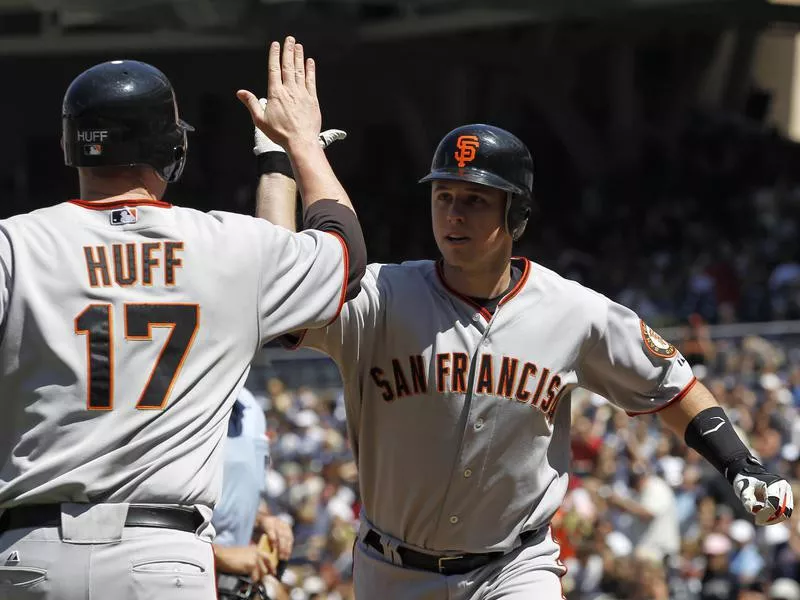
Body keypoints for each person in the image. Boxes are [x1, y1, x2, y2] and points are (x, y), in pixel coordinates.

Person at [254, 118, 793, 599]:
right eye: (444, 197)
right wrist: (279, 169)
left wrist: (740, 463)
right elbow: (280, 296)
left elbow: (671, 387)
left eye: (475, 200)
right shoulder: (381, 296)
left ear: (517, 215)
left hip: (514, 568)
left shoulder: (575, 312)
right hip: (392, 570)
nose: (453, 214)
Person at [0, 36, 366, 600]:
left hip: (31, 554)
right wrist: (300, 148)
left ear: (72, 144)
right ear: (171, 147)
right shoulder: (228, 246)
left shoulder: (13, 244)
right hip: (162, 558)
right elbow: (345, 256)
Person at [213, 386, 293, 600]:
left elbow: (231, 499)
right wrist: (217, 555)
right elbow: (140, 519)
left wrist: (260, 522)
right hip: (179, 579)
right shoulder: (177, 406)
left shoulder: (251, 406)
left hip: (234, 585)